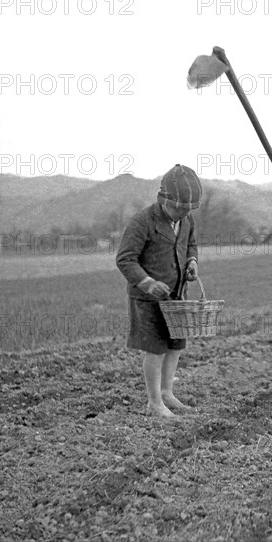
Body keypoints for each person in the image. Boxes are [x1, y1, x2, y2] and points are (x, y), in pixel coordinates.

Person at [116, 164, 202, 418]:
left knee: (175, 344)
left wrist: (192, 262)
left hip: (176, 294)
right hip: (147, 298)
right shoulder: (142, 222)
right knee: (155, 348)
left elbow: (192, 245)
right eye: (179, 207)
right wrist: (148, 282)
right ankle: (154, 403)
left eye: (188, 209)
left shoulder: (186, 220)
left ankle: (167, 393)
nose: (183, 213)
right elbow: (125, 259)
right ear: (163, 198)